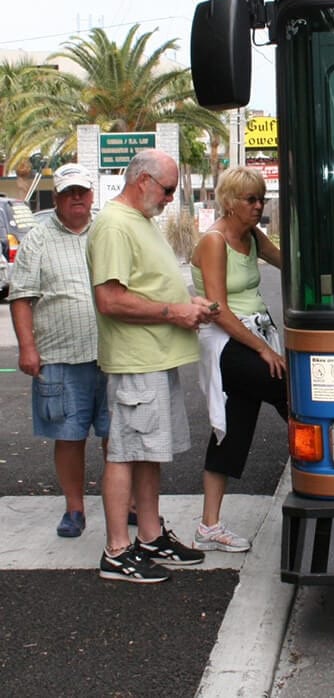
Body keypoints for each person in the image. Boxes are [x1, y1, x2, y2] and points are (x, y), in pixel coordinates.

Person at [87, 149, 218, 583]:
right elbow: (110, 300)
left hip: (154, 358)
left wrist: (186, 306)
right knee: (125, 452)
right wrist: (174, 313)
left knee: (147, 453)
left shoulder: (138, 221)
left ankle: (149, 535)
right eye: (166, 190)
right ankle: (117, 550)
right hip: (135, 361)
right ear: (142, 180)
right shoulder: (113, 224)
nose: (168, 198)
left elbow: (145, 287)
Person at [190, 166, 287, 552]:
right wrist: (263, 349)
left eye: (261, 198)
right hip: (227, 341)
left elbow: (286, 262)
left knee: (234, 425)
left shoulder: (250, 235)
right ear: (230, 202)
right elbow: (218, 309)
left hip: (253, 334)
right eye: (251, 199)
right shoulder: (215, 240)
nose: (258, 206)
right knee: (293, 393)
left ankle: (208, 526)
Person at [9, 163, 108, 538]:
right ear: (57, 198)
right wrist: (27, 348)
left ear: (92, 194)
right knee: (69, 435)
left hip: (113, 352)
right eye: (69, 193)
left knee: (117, 434)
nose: (77, 198)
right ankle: (75, 508)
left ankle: (128, 503)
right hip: (60, 356)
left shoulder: (106, 229)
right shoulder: (37, 237)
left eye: (83, 191)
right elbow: (21, 297)